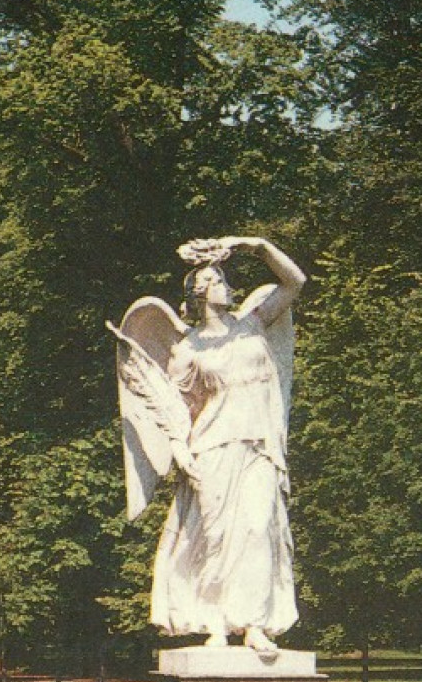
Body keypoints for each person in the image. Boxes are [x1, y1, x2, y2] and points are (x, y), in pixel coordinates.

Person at [110, 235, 305, 654]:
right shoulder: (189, 349)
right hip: (213, 448)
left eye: (223, 279)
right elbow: (173, 408)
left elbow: (295, 282)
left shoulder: (254, 322)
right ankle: (214, 622)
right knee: (214, 536)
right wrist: (179, 450)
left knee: (256, 529)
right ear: (199, 293)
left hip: (258, 447)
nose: (225, 286)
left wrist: (255, 245)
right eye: (215, 281)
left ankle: (252, 624)